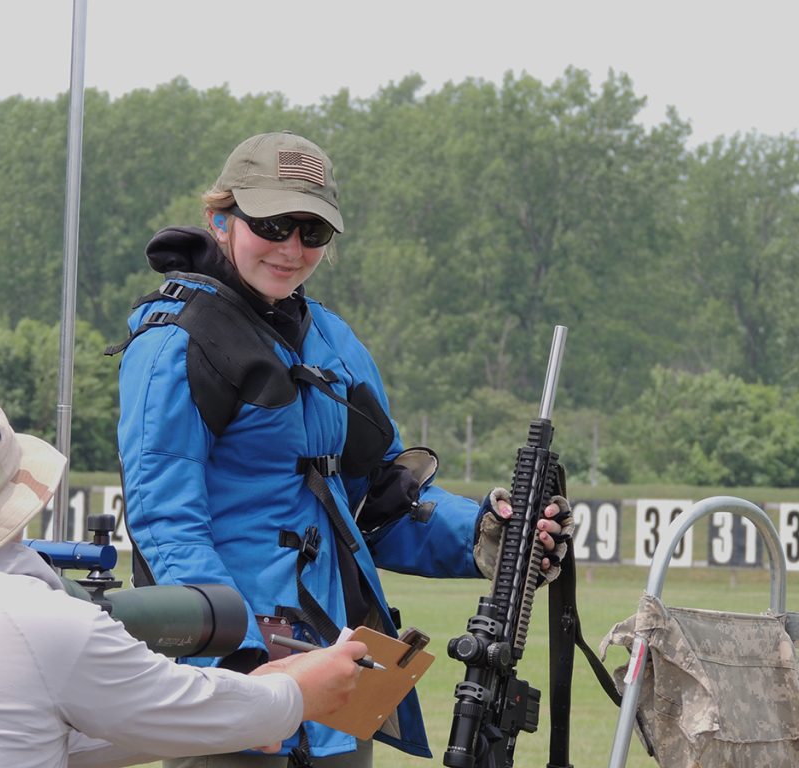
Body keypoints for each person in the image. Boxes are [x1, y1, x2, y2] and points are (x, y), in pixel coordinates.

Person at [114, 131, 572, 767]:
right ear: (221, 219)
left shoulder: (331, 338)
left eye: (313, 233)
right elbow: (167, 526)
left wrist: (486, 534)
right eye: (272, 224)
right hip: (234, 688)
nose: (291, 249)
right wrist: (245, 669)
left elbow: (376, 499)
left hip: (338, 681)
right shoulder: (174, 345)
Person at [0, 395, 371, 768]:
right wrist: (298, 690)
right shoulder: (40, 622)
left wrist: (254, 701)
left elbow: (40, 733)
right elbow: (182, 707)